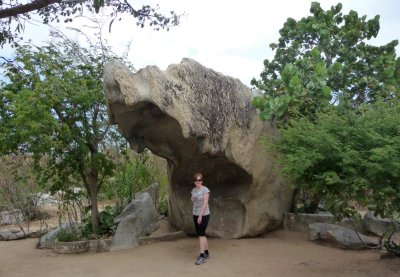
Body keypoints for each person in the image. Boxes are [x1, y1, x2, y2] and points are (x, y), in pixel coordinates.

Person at [191, 172, 210, 265]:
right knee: (201, 234)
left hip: (203, 214)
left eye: (199, 180)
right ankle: (206, 253)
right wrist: (193, 198)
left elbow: (205, 203)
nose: (197, 181)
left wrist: (200, 215)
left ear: (202, 180)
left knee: (201, 235)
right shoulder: (193, 190)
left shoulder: (205, 190)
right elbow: (193, 200)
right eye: (196, 180)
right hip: (195, 213)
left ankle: (202, 256)